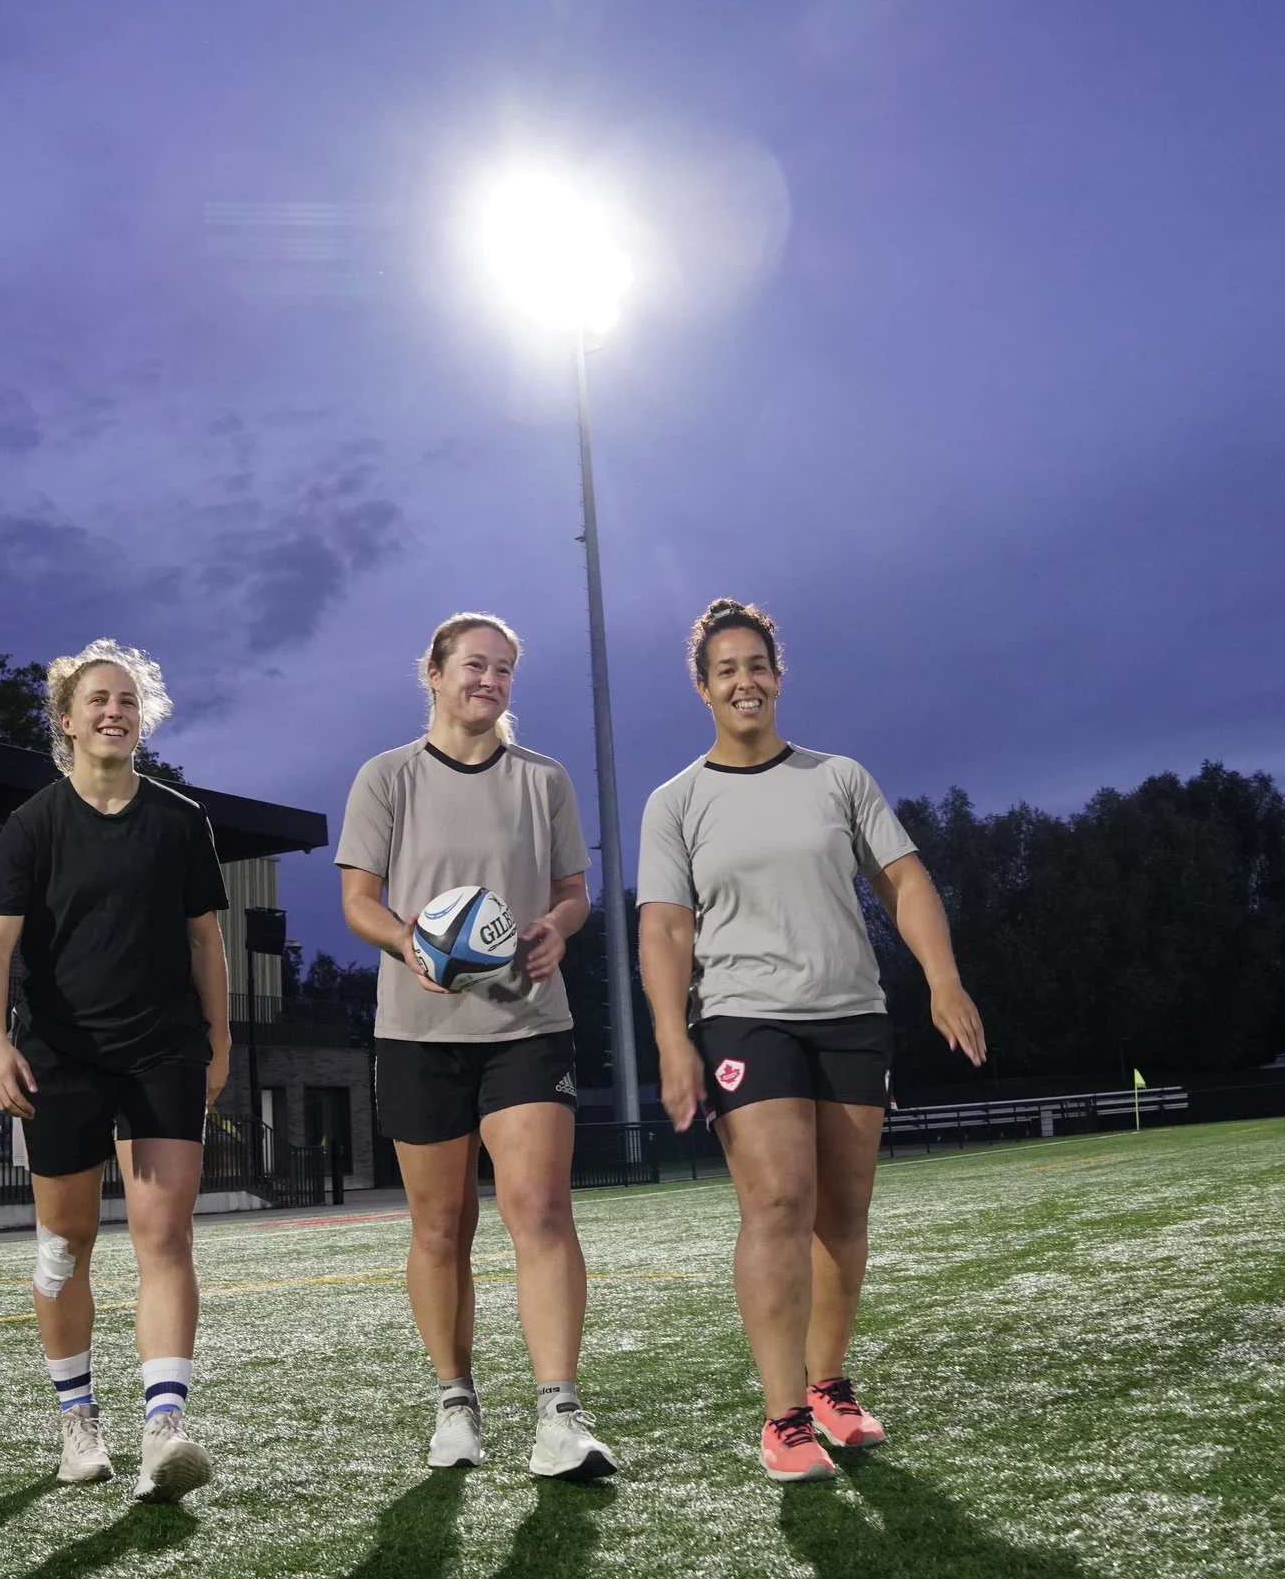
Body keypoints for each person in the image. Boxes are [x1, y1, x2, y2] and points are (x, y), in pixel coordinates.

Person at [636, 598, 987, 1482]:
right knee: (781, 1203)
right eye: (726, 670)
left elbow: (905, 881)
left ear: (778, 677)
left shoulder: (840, 779)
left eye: (757, 665)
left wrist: (942, 980)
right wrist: (673, 1041)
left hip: (850, 1012)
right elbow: (666, 931)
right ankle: (783, 1415)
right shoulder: (676, 802)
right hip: (745, 1014)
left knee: (844, 1212)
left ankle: (830, 1386)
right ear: (703, 689)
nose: (744, 681)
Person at [338, 612, 620, 1481]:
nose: (488, 681)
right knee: (441, 1225)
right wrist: (409, 944)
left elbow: (575, 889)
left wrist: (557, 928)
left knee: (538, 1208)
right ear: (431, 671)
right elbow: (360, 901)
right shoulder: (386, 777)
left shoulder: (544, 779)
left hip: (528, 1024)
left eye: (502, 669)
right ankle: (455, 1403)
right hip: (418, 1031)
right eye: (472, 665)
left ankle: (559, 1414)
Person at [0, 640, 232, 1501]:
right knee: (65, 1245)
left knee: (164, 1237)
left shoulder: (179, 821)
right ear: (66, 721)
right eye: (96, 701)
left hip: (163, 1049)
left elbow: (205, 941)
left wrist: (219, 1040)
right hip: (62, 1056)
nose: (112, 711)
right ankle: (77, 1423)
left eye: (126, 699)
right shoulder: (33, 824)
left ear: (141, 717)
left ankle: (165, 1429)